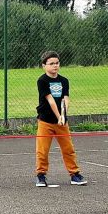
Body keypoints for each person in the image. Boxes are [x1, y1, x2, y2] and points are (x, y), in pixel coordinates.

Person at [34, 51, 86, 187]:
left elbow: (66, 99)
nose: (55, 66)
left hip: (62, 123)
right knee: (42, 150)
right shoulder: (42, 81)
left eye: (57, 63)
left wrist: (63, 115)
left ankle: (75, 175)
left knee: (68, 149)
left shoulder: (64, 81)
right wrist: (59, 116)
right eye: (51, 63)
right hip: (45, 121)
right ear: (44, 66)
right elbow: (50, 100)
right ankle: (41, 175)